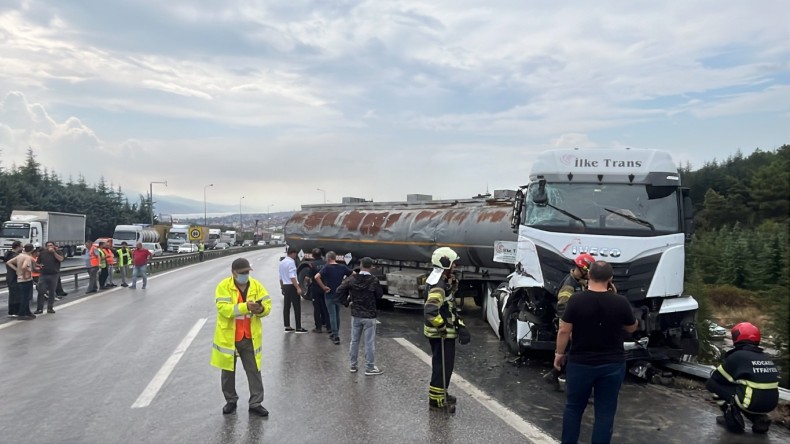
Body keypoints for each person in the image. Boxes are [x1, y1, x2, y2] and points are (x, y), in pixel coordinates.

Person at [554, 260, 637, 444]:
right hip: (612, 365)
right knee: (605, 413)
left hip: (580, 363)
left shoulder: (576, 300)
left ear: (589, 275)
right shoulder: (620, 302)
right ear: (611, 278)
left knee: (574, 408)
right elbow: (631, 328)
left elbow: (564, 330)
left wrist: (559, 354)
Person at [211, 258, 272, 417]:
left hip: (249, 336)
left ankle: (256, 403)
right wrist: (246, 307)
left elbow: (268, 306)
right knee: (228, 372)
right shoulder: (223, 286)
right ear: (233, 273)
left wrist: (260, 309)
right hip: (229, 337)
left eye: (247, 272)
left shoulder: (256, 286)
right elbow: (223, 309)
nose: (245, 275)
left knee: (254, 371)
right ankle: (231, 400)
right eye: (242, 273)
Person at [706, 322, 779, 434]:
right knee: (745, 392)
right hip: (771, 403)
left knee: (712, 384)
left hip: (751, 401)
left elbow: (717, 377)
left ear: (738, 338)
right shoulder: (766, 356)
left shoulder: (738, 355)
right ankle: (758, 419)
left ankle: (731, 418)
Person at [424, 247, 471, 409]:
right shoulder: (439, 285)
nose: (455, 266)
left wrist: (461, 326)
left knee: (443, 366)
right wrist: (443, 328)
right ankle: (437, 401)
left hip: (440, 334)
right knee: (442, 367)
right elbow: (430, 311)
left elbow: (449, 308)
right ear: (445, 264)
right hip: (441, 335)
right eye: (453, 263)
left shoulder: (439, 281)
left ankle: (440, 393)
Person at [544, 253, 596, 387]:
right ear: (582, 270)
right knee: (572, 354)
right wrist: (569, 329)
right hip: (569, 326)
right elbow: (563, 308)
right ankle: (569, 381)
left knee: (568, 353)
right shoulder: (569, 285)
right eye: (588, 272)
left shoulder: (579, 282)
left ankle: (554, 374)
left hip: (574, 325)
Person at [337, 257, 383, 375]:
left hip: (356, 313)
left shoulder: (352, 279)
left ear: (361, 265)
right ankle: (370, 367)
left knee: (354, 341)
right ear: (371, 267)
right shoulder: (374, 280)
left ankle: (353, 365)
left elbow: (339, 290)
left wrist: (346, 302)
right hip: (370, 315)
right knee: (369, 342)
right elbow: (379, 295)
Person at [315, 251, 353, 345]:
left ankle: (335, 336)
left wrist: (323, 287)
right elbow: (354, 274)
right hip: (339, 294)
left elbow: (316, 277)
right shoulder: (342, 267)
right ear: (335, 258)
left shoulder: (327, 267)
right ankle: (335, 333)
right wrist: (345, 283)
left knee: (332, 314)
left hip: (329, 293)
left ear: (328, 259)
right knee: (337, 314)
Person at [7, 244, 38, 320]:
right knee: (26, 298)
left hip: (19, 279)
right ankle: (22, 314)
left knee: (23, 297)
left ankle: (27, 312)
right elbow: (24, 267)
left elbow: (8, 262)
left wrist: (17, 270)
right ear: (32, 250)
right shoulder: (27, 257)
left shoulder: (20, 256)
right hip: (26, 279)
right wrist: (25, 274)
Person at [278, 247, 306, 333]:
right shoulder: (291, 262)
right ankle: (298, 327)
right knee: (297, 306)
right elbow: (292, 276)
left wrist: (282, 287)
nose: (296, 255)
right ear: (293, 253)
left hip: (285, 286)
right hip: (292, 286)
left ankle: (287, 326)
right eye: (295, 254)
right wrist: (298, 287)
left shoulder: (281, 262)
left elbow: (280, 277)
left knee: (286, 306)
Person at [35, 241, 64, 314]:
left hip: (54, 274)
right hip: (43, 274)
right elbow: (37, 262)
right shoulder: (42, 253)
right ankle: (39, 309)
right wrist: (39, 265)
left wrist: (54, 252)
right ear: (46, 247)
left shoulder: (58, 252)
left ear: (54, 246)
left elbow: (61, 259)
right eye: (48, 245)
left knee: (52, 292)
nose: (49, 247)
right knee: (41, 291)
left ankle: (50, 307)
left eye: (51, 245)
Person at [307, 249, 331, 333]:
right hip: (324, 287)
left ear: (313, 255)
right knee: (325, 307)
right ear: (321, 255)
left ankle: (318, 327)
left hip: (316, 289)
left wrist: (308, 284)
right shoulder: (326, 263)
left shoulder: (311, 264)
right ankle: (329, 327)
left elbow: (307, 278)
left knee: (316, 308)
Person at [3, 241, 23, 317]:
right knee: (16, 295)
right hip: (14, 277)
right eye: (21, 247)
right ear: (17, 247)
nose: (22, 248)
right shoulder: (15, 256)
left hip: (10, 276)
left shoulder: (8, 254)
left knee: (13, 295)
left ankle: (12, 311)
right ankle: (15, 311)